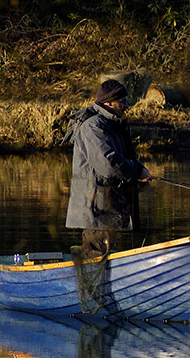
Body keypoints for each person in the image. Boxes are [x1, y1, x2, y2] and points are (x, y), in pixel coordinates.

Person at [65, 78, 152, 257]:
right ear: (108, 103)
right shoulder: (93, 127)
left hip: (108, 206)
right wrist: (136, 171)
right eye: (122, 102)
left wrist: (136, 178)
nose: (127, 106)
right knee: (96, 257)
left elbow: (121, 161)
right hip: (95, 209)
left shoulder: (113, 126)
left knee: (105, 257)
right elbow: (108, 165)